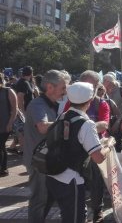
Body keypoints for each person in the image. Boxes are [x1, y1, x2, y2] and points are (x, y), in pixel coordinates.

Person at [46, 82, 115, 223]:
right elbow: (98, 157)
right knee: (76, 219)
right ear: (89, 101)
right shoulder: (86, 124)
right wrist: (110, 144)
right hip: (71, 180)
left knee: (67, 216)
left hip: (54, 175)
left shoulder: (63, 116)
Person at [23, 70, 70, 223]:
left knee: (48, 198)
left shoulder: (51, 103)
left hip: (45, 160)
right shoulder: (38, 104)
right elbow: (43, 127)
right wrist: (68, 124)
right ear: (50, 87)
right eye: (63, 88)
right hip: (38, 161)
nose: (65, 92)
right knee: (39, 200)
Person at [0, 73, 17, 177]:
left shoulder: (8, 91)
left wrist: (10, 122)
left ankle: (4, 168)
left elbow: (15, 109)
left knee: (1, 146)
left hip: (5, 124)